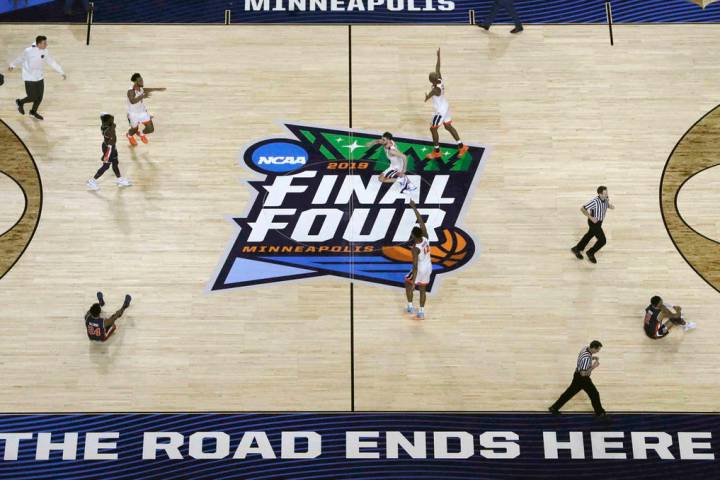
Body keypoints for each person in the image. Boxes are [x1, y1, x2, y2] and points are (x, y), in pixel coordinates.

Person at [424, 48, 469, 160]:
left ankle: (437, 151)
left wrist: (426, 97)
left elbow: (429, 95)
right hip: (445, 105)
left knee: (433, 129)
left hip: (440, 110)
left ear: (432, 81)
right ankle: (461, 146)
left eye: (429, 79)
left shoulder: (435, 89)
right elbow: (438, 67)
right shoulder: (439, 79)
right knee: (448, 126)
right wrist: (438, 56)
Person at [8, 35, 66, 120]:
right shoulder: (28, 51)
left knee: (39, 97)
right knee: (32, 96)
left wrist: (61, 72)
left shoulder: (45, 51)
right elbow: (20, 58)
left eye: (46, 42)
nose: (46, 45)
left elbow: (52, 62)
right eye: (44, 43)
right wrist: (12, 65)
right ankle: (20, 102)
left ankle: (33, 112)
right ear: (38, 44)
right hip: (29, 76)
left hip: (39, 76)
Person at [549, 340, 608, 419]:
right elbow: (583, 373)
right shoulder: (586, 358)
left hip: (577, 376)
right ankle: (600, 413)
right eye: (597, 350)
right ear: (593, 348)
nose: (598, 351)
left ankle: (554, 407)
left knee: (568, 393)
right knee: (594, 394)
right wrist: (594, 366)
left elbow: (582, 358)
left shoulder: (585, 348)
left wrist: (592, 357)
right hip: (582, 379)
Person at [87, 113, 131, 190]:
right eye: (111, 119)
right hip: (109, 148)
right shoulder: (109, 130)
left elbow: (112, 122)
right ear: (107, 121)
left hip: (111, 147)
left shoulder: (106, 125)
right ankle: (92, 181)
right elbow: (114, 126)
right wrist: (106, 155)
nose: (113, 120)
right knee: (106, 166)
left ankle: (119, 179)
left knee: (115, 163)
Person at [571, 186, 614, 264]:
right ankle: (590, 252)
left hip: (600, 222)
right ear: (600, 194)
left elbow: (606, 204)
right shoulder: (594, 201)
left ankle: (577, 248)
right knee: (602, 241)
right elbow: (582, 209)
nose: (607, 194)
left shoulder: (606, 198)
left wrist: (610, 206)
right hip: (593, 222)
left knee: (589, 235)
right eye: (605, 193)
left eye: (607, 192)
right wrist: (591, 217)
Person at [405, 200, 433, 320]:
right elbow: (421, 221)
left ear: (414, 236)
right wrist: (414, 208)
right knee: (423, 289)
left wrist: (413, 283)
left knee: (407, 283)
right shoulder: (425, 237)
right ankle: (421, 311)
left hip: (420, 268)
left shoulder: (415, 249)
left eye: (411, 234)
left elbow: (415, 266)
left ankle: (410, 306)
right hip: (429, 267)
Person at [126, 73, 165, 146]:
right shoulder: (131, 91)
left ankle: (141, 134)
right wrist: (142, 96)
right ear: (135, 82)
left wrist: (157, 89)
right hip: (133, 114)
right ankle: (129, 135)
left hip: (142, 112)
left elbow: (147, 89)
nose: (142, 81)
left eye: (142, 80)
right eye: (140, 80)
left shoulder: (140, 89)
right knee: (134, 130)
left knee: (150, 129)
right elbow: (132, 101)